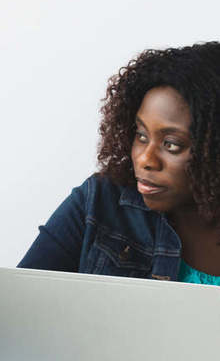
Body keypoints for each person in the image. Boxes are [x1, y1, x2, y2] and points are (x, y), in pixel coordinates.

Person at [19, 42, 220, 284]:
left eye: (171, 145)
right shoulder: (99, 202)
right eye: (141, 135)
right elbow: (15, 307)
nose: (145, 159)